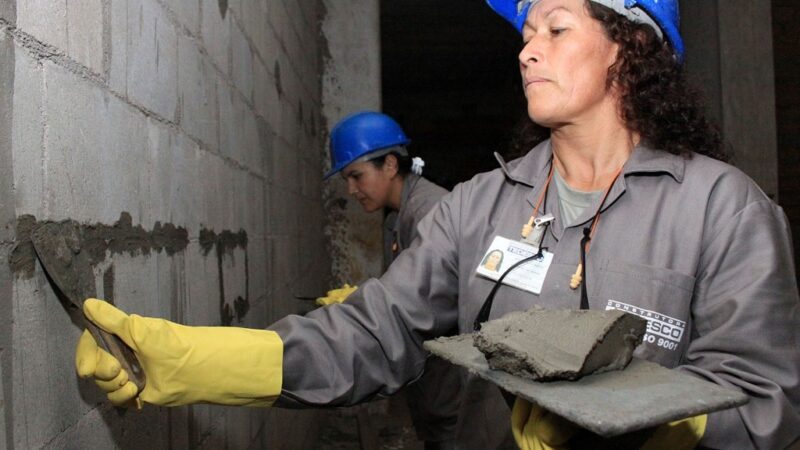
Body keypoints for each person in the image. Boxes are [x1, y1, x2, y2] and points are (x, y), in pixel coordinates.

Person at [75, 0, 800, 448]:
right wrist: (190, 360)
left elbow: (768, 404)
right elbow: (373, 334)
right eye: (525, 29)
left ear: (628, 44)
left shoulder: (723, 210)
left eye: (555, 25)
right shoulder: (478, 208)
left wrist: (639, 424)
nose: (526, 46)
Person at [315, 110, 464, 450]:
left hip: (455, 395)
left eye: (357, 176)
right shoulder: (398, 218)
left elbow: (430, 305)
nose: (351, 189)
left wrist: (364, 305)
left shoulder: (431, 213)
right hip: (435, 389)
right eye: (347, 180)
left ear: (391, 165)